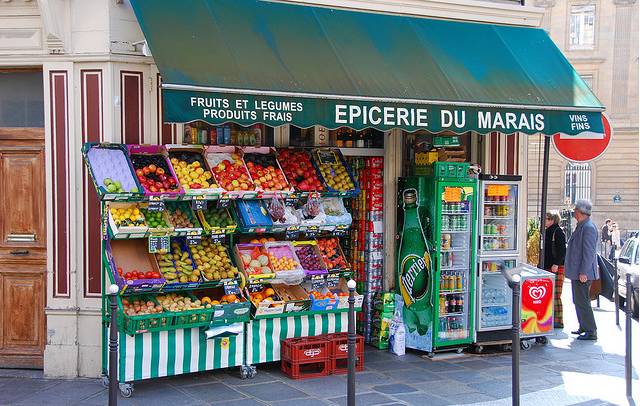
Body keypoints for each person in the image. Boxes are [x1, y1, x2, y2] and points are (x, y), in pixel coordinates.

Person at [565, 200, 599, 340]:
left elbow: (588, 253)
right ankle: (583, 326)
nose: (574, 212)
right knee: (578, 300)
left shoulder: (588, 227)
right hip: (578, 272)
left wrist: (583, 272)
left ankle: (591, 330)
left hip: (583, 273)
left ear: (581, 212)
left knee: (583, 301)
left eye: (575, 210)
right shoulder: (582, 226)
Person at [544, 210, 566, 329]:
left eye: (547, 218)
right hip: (547, 266)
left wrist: (556, 264)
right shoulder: (547, 231)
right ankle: (550, 317)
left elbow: (562, 250)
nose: (544, 221)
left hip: (556, 267)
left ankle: (558, 320)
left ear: (552, 220)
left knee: (556, 293)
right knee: (548, 294)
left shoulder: (558, 232)